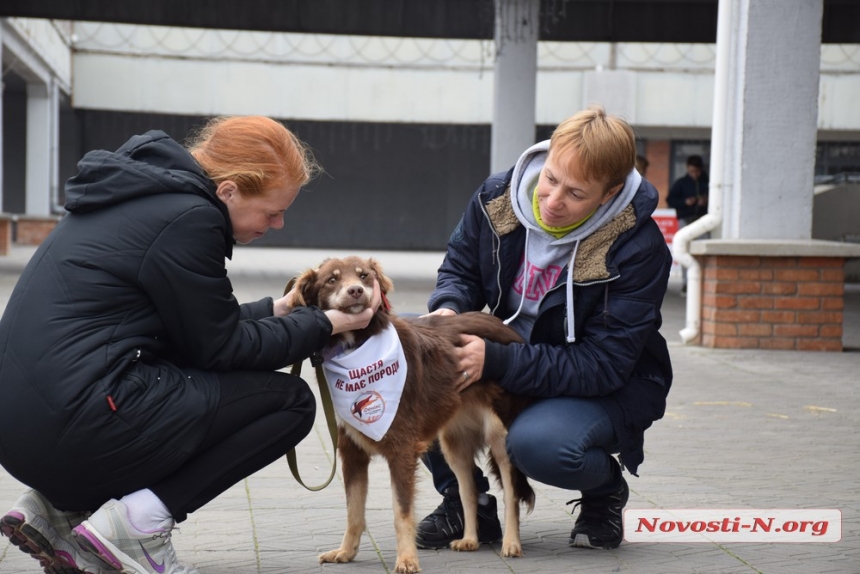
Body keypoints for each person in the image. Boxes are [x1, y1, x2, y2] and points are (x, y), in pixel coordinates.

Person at [0, 116, 380, 574]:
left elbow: (189, 327)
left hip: (25, 429)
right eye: (272, 211)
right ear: (230, 191)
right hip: (74, 428)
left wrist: (277, 310)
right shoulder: (189, 218)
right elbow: (219, 349)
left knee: (175, 384)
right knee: (289, 404)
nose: (278, 224)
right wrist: (324, 323)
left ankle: (57, 513)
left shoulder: (140, 198)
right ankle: (138, 525)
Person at [415, 105, 673, 551]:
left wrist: (496, 359)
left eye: (576, 194)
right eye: (551, 179)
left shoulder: (638, 247)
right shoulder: (498, 196)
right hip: (503, 359)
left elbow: (604, 364)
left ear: (610, 193)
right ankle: (467, 503)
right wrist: (448, 309)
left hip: (598, 386)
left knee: (539, 446)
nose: (553, 201)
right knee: (402, 368)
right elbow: (459, 267)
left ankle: (604, 491)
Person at [666, 154, 709, 293]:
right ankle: (686, 282)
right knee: (684, 250)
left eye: (697, 172)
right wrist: (685, 202)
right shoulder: (681, 183)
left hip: (703, 219)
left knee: (704, 249)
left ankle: (705, 281)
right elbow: (670, 200)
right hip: (685, 218)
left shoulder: (708, 182)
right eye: (692, 171)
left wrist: (706, 201)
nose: (695, 175)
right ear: (687, 169)